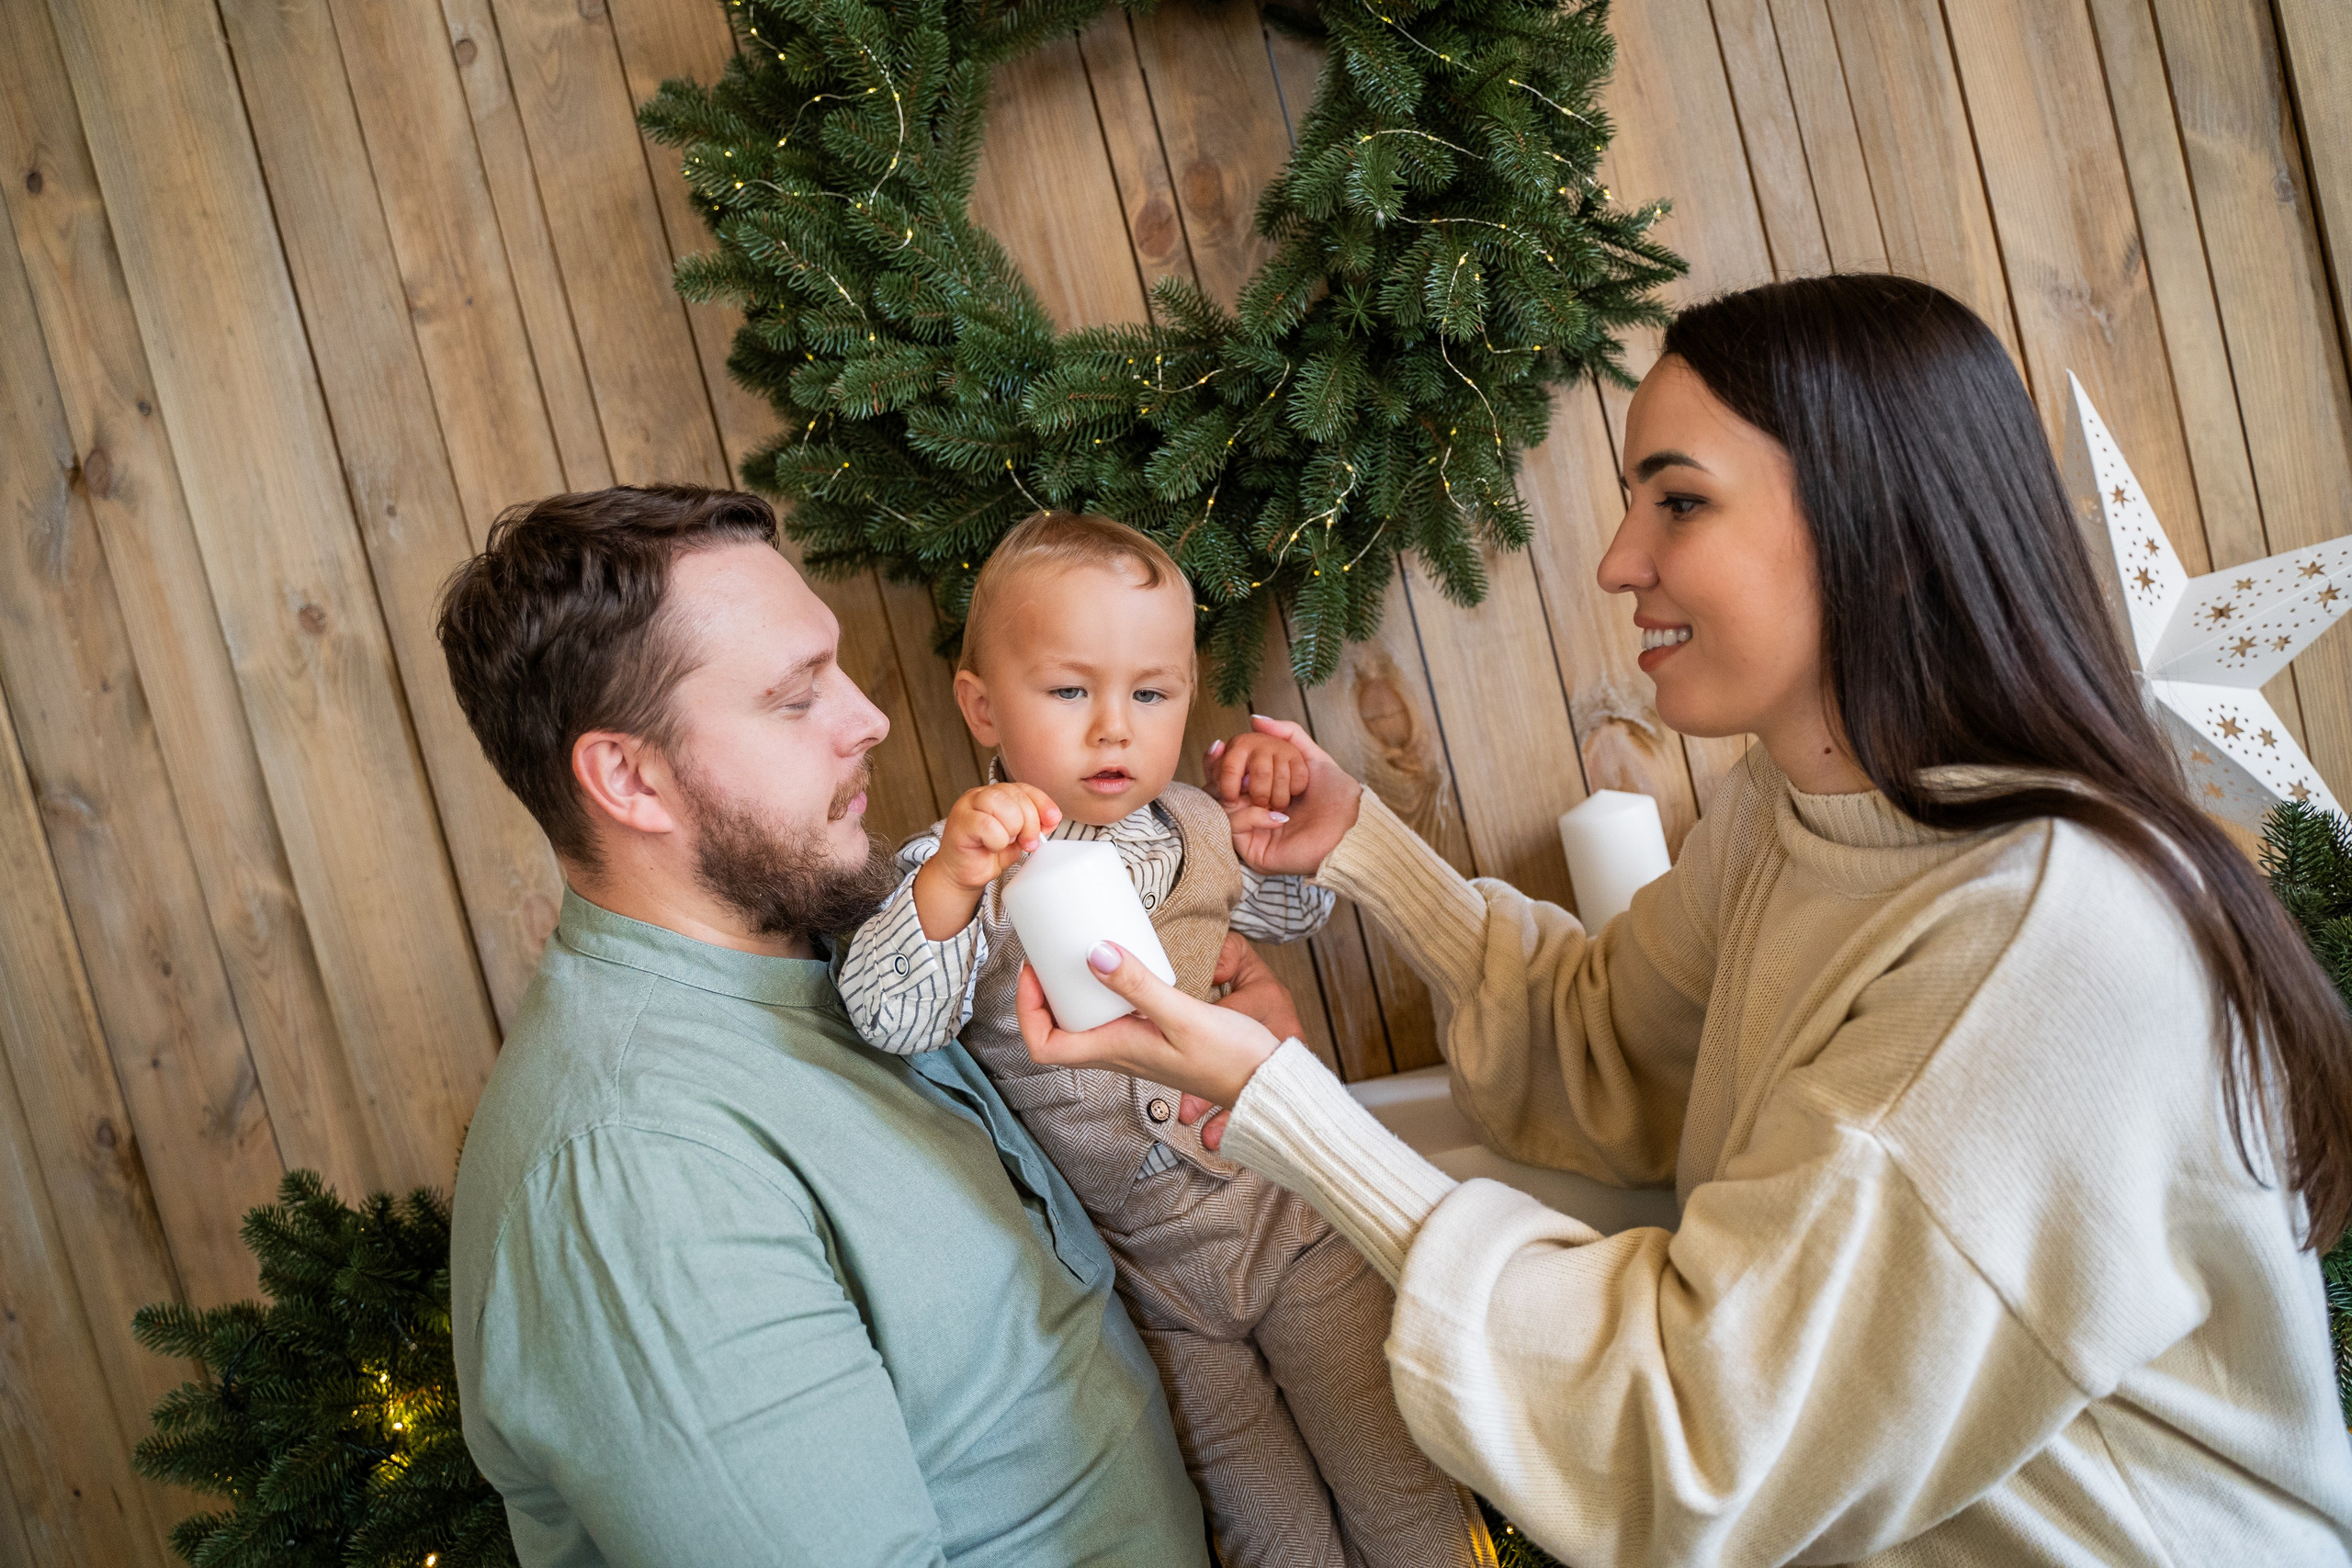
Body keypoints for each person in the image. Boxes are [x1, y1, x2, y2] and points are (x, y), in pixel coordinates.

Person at [1019, 274, 2352, 1564]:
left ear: (1878, 534)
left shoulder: (2042, 950)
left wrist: (1288, 1108)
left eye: (1680, 500)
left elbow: (1693, 1439)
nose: (1617, 561)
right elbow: (1614, 1046)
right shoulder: (1794, 808)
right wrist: (1364, 845)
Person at [435, 486, 1209, 1567]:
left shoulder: (844, 939)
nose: (870, 719)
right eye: (796, 699)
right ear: (629, 777)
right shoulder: (638, 1177)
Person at [834, 511, 1483, 1568]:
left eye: (1150, 694)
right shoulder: (959, 869)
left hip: (1293, 1218)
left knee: (1400, 1482)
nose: (1113, 730)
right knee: (1268, 1528)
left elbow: (1294, 913)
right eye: (1068, 691)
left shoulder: (1195, 825)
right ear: (982, 705)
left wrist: (1269, 828)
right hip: (1152, 1288)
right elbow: (890, 1014)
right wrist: (950, 880)